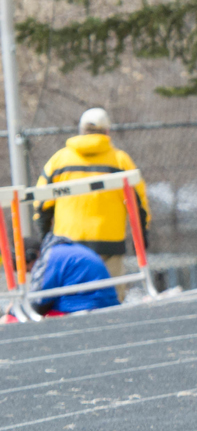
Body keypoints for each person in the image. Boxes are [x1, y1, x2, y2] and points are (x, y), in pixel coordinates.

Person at [35, 108, 150, 300]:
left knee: (71, 300)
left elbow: (41, 203)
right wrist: (143, 232)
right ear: (107, 132)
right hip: (109, 244)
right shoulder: (120, 160)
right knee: (111, 300)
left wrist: (44, 234)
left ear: (81, 130)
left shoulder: (59, 160)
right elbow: (139, 203)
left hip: (68, 246)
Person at [25, 235, 120, 315]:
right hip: (104, 304)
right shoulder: (66, 249)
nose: (31, 273)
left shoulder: (50, 257)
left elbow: (39, 302)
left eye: (28, 269)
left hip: (82, 307)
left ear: (32, 256)